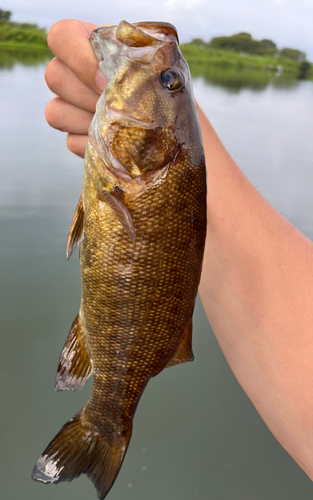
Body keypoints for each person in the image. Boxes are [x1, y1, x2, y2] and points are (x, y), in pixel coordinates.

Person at [43, 19, 313, 479]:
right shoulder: (140, 160)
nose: (169, 72)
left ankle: (106, 422)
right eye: (173, 81)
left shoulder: (142, 164)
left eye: (171, 81)